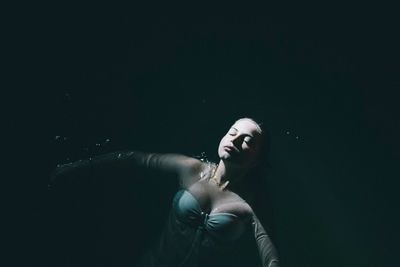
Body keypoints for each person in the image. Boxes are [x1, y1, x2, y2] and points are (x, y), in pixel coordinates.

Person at [50, 118, 279, 267]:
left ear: (257, 161)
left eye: (247, 140)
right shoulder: (191, 169)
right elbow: (134, 159)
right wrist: (74, 167)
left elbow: (270, 256)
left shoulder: (253, 203)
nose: (235, 140)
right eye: (232, 132)